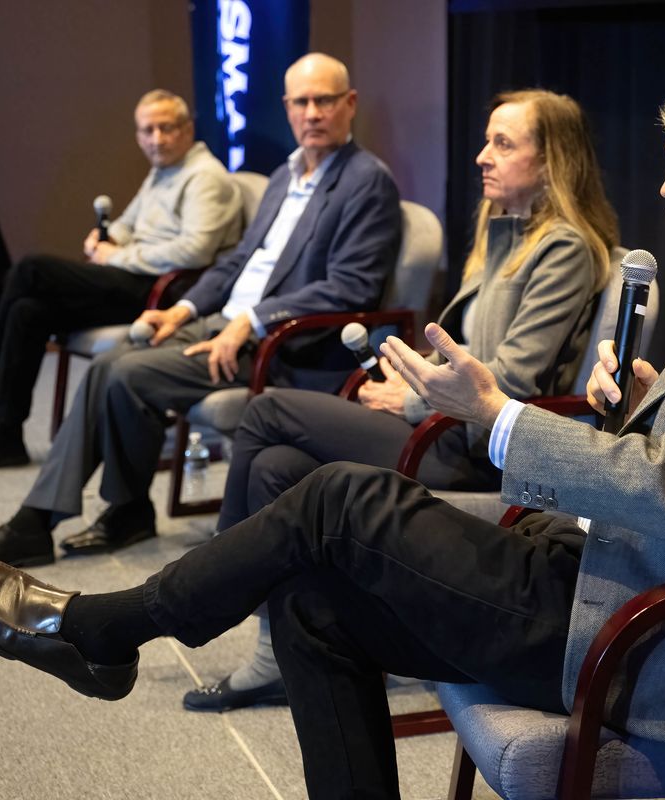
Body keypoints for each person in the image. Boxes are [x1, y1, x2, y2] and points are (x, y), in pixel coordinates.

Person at [0, 54, 665, 798]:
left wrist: (495, 420)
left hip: (657, 639)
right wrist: (644, 397)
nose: (663, 186)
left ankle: (106, 628)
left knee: (334, 501)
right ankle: (111, 633)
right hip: (595, 576)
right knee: (315, 599)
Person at [183, 88, 621, 711]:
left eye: (503, 143)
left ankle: (215, 590)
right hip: (443, 424)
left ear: (553, 162)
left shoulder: (564, 250)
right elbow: (463, 351)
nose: (481, 157)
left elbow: (512, 381)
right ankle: (288, 647)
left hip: (477, 447)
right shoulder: (501, 237)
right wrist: (406, 380)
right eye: (487, 140)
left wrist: (413, 401)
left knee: (266, 411)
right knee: (280, 467)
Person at [0, 52, 401, 576]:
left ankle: (42, 522)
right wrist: (181, 309)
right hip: (225, 324)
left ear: (350, 104)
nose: (313, 112)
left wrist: (251, 322)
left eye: (325, 100)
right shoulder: (284, 175)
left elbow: (351, 287)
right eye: (302, 101)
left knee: (125, 371)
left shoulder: (367, 181)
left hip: (281, 345)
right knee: (116, 361)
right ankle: (118, 511)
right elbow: (237, 262)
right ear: (288, 107)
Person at [0, 90, 243, 474]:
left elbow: (195, 252)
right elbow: (128, 223)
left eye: (166, 128)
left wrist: (115, 255)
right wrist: (108, 239)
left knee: (31, 269)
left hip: (163, 295)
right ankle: (4, 439)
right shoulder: (163, 170)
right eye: (147, 130)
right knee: (27, 311)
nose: (156, 138)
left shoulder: (205, 177)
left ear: (187, 130)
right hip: (133, 278)